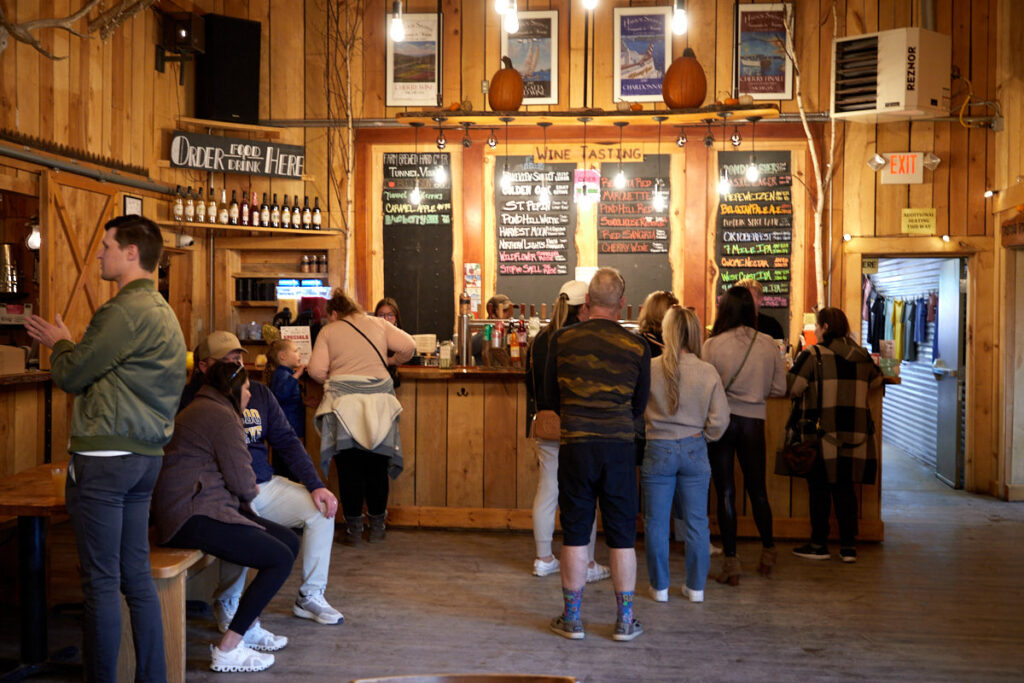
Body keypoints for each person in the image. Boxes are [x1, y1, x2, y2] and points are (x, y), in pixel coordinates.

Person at [23, 214, 186, 681]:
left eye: (107, 245)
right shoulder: (163, 313)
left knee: (100, 582)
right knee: (135, 576)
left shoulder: (122, 312)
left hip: (105, 459)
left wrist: (61, 344)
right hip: (145, 459)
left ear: (131, 253)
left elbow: (72, 374)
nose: (99, 253)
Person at [182, 331, 343, 631]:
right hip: (220, 494)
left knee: (322, 508)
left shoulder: (257, 392)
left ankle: (310, 596)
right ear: (205, 367)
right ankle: (228, 603)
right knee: (242, 523)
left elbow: (287, 441)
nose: (237, 365)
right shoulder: (196, 400)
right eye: (227, 361)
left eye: (239, 358)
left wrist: (316, 484)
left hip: (263, 485)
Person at [154, 363, 298, 673]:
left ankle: (248, 625)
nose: (250, 393)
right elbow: (241, 479)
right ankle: (229, 649)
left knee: (287, 541)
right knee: (279, 558)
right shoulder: (221, 415)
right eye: (246, 387)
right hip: (189, 514)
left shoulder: (207, 406)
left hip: (198, 506)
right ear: (233, 389)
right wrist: (249, 501)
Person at [540, 267, 651, 642]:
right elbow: (638, 408)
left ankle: (572, 620)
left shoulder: (562, 340)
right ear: (622, 305)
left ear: (587, 302)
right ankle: (624, 621)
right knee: (621, 537)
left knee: (575, 533)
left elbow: (549, 400)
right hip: (619, 449)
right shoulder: (638, 347)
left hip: (577, 447)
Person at [309, 288, 416, 545]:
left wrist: (338, 379)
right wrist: (389, 361)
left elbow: (315, 370)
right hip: (380, 404)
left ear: (334, 312)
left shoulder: (329, 330)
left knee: (349, 469)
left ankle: (354, 530)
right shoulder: (378, 323)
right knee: (377, 467)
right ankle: (377, 527)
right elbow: (409, 347)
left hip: (344, 406)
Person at [642, 306, 730, 604]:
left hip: (658, 448)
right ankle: (695, 588)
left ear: (666, 332)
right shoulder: (708, 371)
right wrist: (704, 436)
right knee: (697, 523)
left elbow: (635, 410)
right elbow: (721, 420)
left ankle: (660, 587)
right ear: (694, 333)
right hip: (694, 448)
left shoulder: (650, 368)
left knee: (655, 522)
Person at [524, 280, 610, 583]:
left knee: (547, 490)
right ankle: (585, 564)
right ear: (584, 307)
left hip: (547, 425)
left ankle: (543, 558)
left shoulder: (539, 340)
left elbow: (531, 384)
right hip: (579, 426)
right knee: (584, 494)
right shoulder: (582, 338)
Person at [702, 286, 787, 585]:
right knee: (757, 489)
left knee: (725, 490)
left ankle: (731, 563)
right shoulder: (767, 344)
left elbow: (705, 388)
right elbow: (780, 389)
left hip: (722, 421)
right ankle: (767, 553)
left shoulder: (712, 345)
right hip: (754, 422)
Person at [788, 307, 882, 563]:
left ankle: (819, 544)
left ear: (826, 327)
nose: (815, 331)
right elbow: (876, 381)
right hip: (856, 433)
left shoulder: (813, 354)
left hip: (823, 433)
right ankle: (848, 546)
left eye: (817, 326)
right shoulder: (862, 355)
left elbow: (793, 387)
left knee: (819, 488)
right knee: (845, 488)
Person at [265, 338, 306, 440]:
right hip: (285, 427)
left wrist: (304, 401)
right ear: (282, 356)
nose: (299, 354)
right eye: (296, 351)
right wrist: (297, 374)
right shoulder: (281, 374)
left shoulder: (287, 373)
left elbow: (290, 398)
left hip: (291, 426)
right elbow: (282, 395)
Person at [471, 293, 514, 362]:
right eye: (505, 310)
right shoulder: (485, 333)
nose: (510, 313)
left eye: (511, 309)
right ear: (493, 314)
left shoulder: (513, 333)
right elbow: (467, 348)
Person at [636, 290, 679, 357]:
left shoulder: (672, 337)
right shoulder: (647, 344)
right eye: (673, 312)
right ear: (661, 313)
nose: (677, 316)